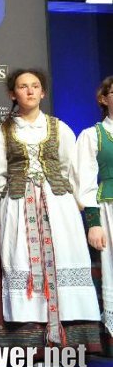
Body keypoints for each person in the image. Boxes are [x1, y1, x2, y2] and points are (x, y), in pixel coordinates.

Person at [0, 69, 101, 349]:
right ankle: (28, 343)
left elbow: (69, 170)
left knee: (64, 256)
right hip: (17, 205)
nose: (29, 91)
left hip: (58, 205)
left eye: (35, 86)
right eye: (23, 87)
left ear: (43, 92)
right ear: (13, 94)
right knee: (22, 261)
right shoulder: (1, 131)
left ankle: (70, 342)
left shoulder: (59, 128)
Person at [75, 75, 113, 337]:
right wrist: (94, 223)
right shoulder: (93, 135)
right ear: (103, 99)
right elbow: (84, 182)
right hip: (109, 207)